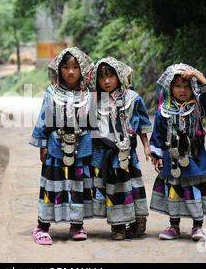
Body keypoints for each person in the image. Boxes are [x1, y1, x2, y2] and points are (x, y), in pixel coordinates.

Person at [30, 47, 95, 245]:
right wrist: (42, 144)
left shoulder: (89, 96)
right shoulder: (51, 93)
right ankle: (42, 226)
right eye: (66, 67)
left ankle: (76, 225)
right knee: (53, 185)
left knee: (77, 185)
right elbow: (44, 119)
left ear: (82, 70)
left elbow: (93, 125)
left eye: (75, 67)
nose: (71, 72)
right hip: (56, 147)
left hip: (81, 147)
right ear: (59, 70)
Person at [149, 63, 206, 241]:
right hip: (172, 159)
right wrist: (157, 156)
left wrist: (197, 73)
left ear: (193, 87)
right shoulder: (163, 111)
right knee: (174, 190)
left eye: (187, 86)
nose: (182, 90)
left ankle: (197, 226)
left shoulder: (198, 107)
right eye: (178, 86)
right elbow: (157, 135)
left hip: (194, 158)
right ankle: (174, 226)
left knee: (195, 190)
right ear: (169, 87)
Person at [88, 57, 152, 240]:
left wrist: (146, 146)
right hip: (107, 154)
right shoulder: (95, 101)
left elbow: (141, 123)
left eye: (110, 76)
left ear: (119, 76)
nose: (106, 81)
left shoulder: (132, 98)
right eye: (101, 78)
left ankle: (138, 220)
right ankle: (117, 227)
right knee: (113, 188)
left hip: (128, 153)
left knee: (133, 186)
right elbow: (92, 129)